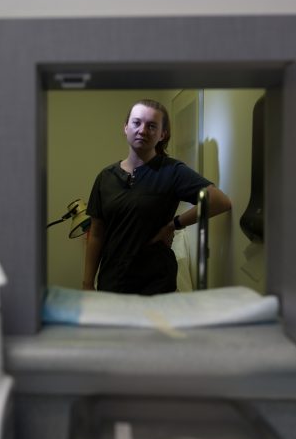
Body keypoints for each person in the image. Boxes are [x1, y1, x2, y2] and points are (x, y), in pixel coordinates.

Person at [83, 99, 232, 294]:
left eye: (151, 126)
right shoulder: (105, 177)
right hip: (112, 282)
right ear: (126, 127)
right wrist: (87, 283)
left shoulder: (172, 171)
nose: (142, 130)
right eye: (136, 123)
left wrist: (174, 224)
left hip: (156, 284)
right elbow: (96, 233)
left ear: (163, 134)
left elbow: (219, 201)